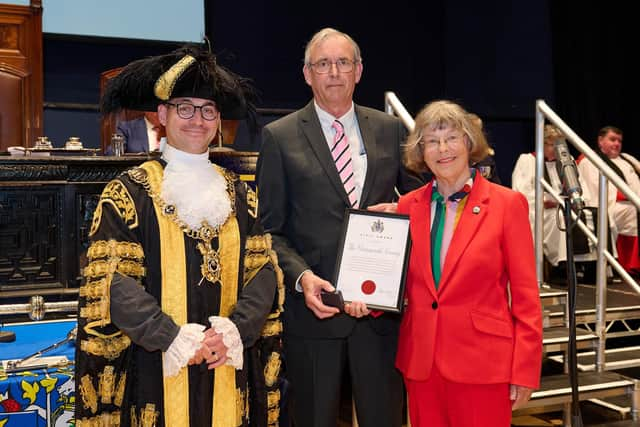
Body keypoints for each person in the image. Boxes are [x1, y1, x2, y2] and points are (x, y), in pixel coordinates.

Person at [75, 45, 284, 427]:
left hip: (226, 362)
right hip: (157, 364)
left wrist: (235, 329)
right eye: (185, 107)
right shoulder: (127, 193)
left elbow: (263, 273)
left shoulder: (240, 193)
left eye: (208, 110)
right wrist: (172, 338)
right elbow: (113, 285)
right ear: (161, 115)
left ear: (218, 120)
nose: (197, 120)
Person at [256, 27, 423, 427]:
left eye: (343, 63)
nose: (334, 72)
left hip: (381, 317)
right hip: (316, 314)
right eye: (323, 64)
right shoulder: (278, 136)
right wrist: (302, 278)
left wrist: (401, 209)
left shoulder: (391, 129)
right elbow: (269, 229)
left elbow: (423, 204)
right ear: (307, 74)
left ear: (359, 71)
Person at [395, 100, 542, 427]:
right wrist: (365, 297)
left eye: (452, 138)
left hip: (483, 365)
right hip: (422, 365)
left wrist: (525, 369)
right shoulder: (408, 206)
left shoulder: (507, 204)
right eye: (432, 141)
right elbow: (398, 283)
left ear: (469, 143)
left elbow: (526, 297)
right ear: (421, 152)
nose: (442, 149)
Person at [512, 124, 596, 280]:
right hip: (541, 209)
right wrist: (545, 201)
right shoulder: (529, 160)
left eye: (559, 145)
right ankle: (561, 266)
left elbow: (581, 186)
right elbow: (521, 190)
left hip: (565, 204)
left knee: (592, 215)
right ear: (542, 144)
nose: (556, 149)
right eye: (552, 144)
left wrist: (576, 199)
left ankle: (588, 265)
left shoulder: (567, 162)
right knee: (560, 218)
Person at [578, 126, 640, 275]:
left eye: (619, 141)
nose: (617, 144)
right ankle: (618, 266)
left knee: (633, 214)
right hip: (608, 206)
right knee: (628, 214)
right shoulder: (590, 160)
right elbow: (594, 189)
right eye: (612, 139)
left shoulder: (627, 159)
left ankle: (631, 266)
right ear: (600, 141)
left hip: (632, 205)